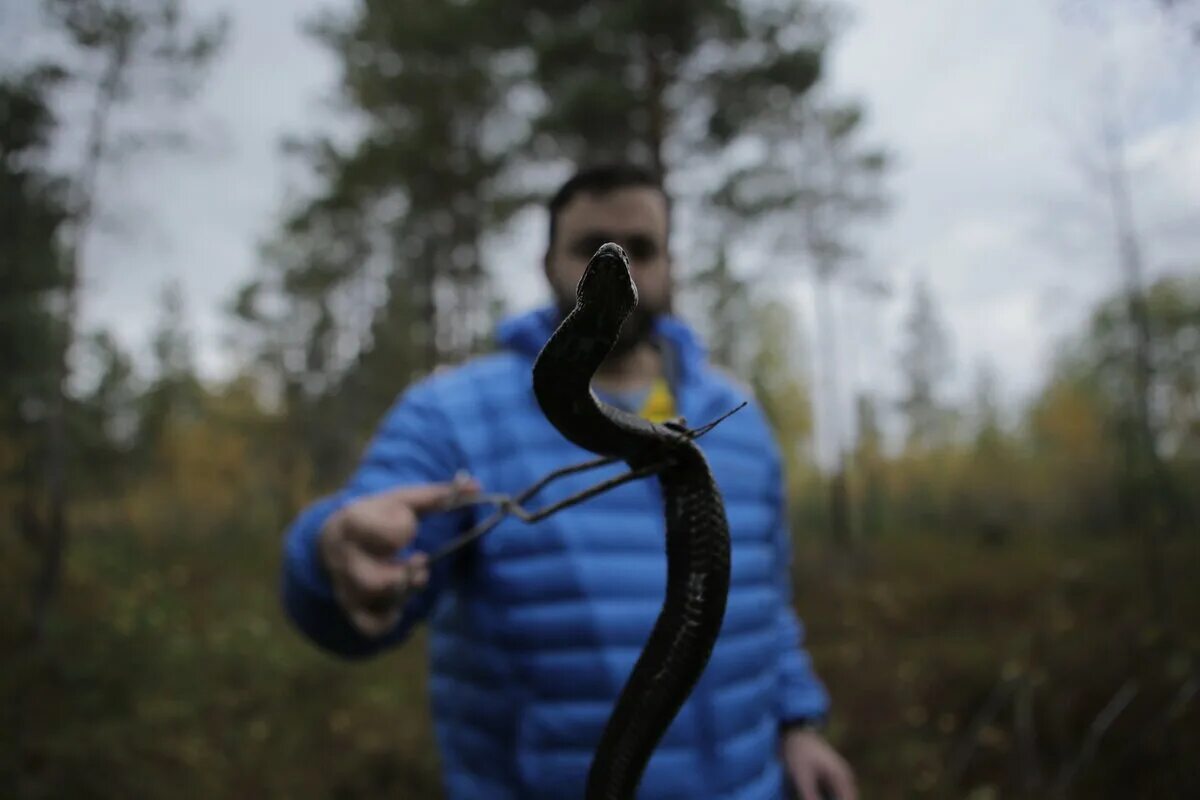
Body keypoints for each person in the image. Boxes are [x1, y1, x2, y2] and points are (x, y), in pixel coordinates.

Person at [282, 164, 858, 800]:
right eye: (592, 247)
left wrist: (797, 723)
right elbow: (365, 557)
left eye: (643, 248)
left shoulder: (741, 422)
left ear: (672, 264)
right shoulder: (451, 413)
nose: (624, 266)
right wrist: (331, 556)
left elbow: (766, 606)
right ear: (549, 261)